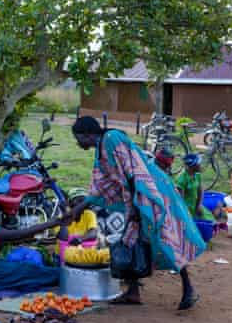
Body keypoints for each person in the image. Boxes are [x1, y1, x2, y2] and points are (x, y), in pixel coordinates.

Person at [68, 116, 206, 310]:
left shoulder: (111, 139)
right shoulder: (101, 150)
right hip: (136, 196)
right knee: (129, 241)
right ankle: (133, 292)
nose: (77, 143)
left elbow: (131, 171)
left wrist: (135, 207)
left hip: (150, 193)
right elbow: (101, 184)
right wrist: (79, 208)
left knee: (165, 237)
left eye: (78, 138)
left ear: (87, 134)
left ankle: (188, 288)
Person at [176, 154, 222, 221]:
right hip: (186, 210)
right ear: (193, 166)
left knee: (216, 211)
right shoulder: (181, 180)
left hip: (195, 205)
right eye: (199, 164)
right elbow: (180, 201)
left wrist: (198, 206)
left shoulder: (197, 175)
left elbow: (200, 191)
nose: (201, 166)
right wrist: (187, 214)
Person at [55, 188, 98, 256]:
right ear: (70, 203)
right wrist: (65, 214)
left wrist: (81, 239)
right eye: (78, 200)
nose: (82, 204)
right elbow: (63, 238)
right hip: (64, 254)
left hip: (84, 252)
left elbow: (93, 233)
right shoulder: (61, 217)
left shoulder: (89, 214)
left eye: (83, 201)